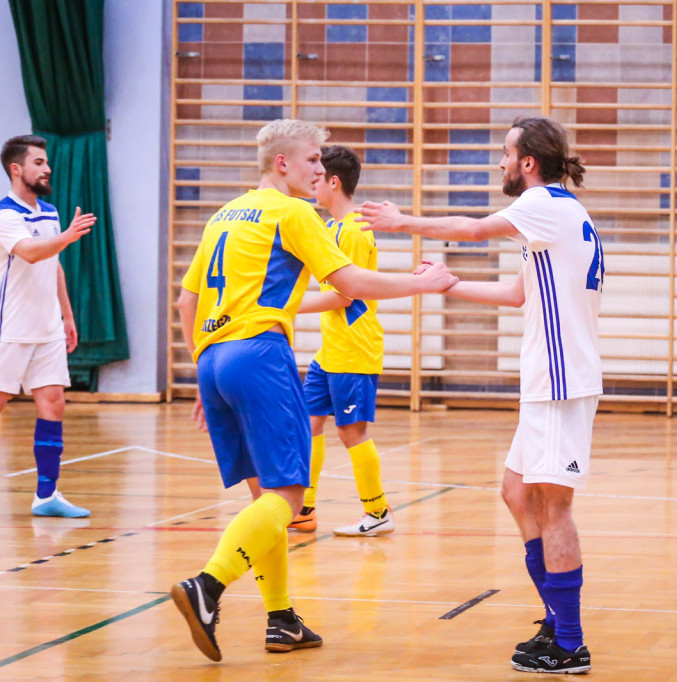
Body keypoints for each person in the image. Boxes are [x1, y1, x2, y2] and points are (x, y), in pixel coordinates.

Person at [171, 119, 457, 663]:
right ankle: (206, 587)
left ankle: (281, 619)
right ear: (283, 164)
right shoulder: (295, 213)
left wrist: (203, 367)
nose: (321, 170)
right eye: (312, 161)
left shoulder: (224, 214)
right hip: (259, 355)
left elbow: (187, 302)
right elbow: (350, 286)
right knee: (288, 497)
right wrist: (421, 283)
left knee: (267, 498)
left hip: (212, 357)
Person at [359, 116, 601, 675]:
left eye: (505, 153)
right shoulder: (553, 216)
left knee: (554, 504)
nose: (500, 162)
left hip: (561, 382)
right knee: (517, 494)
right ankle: (554, 617)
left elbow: (471, 228)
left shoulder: (544, 205)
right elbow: (520, 293)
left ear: (528, 163)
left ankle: (569, 642)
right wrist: (449, 284)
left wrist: (402, 221)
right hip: (547, 380)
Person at [0, 134, 96, 519]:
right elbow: (28, 252)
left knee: (53, 403)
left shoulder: (50, 211)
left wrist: (67, 314)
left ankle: (46, 495)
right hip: (9, 326)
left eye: (46, 163)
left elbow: (52, 262)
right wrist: (67, 236)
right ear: (17, 169)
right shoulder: (4, 214)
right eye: (39, 162)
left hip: (47, 328)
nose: (47, 169)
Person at [292, 145, 393, 537]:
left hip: (354, 347)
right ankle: (303, 509)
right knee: (308, 422)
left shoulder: (351, 230)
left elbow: (345, 295)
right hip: (330, 349)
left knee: (351, 433)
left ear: (333, 182)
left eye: (317, 179)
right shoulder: (331, 227)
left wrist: (286, 307)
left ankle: (378, 512)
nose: (312, 184)